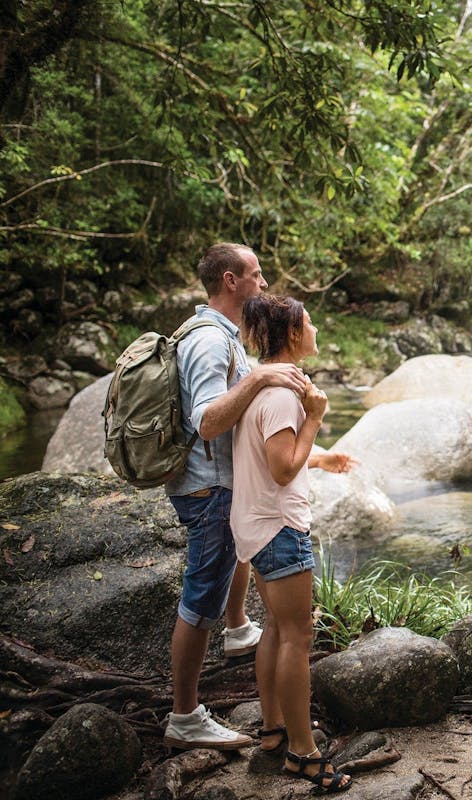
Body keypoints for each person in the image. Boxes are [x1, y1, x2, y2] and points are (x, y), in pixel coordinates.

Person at [162, 243, 308, 751]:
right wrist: (262, 375)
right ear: (231, 280)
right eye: (257, 275)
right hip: (206, 489)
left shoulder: (222, 336)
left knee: (228, 571)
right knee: (200, 597)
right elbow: (206, 422)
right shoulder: (207, 340)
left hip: (218, 487)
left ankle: (239, 627)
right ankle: (185, 714)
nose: (264, 284)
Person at [233, 293, 356, 793]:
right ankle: (303, 755)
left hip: (257, 525)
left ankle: (273, 730)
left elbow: (275, 459)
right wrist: (315, 418)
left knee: (276, 631)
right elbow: (283, 468)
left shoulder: (261, 387)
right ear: (292, 335)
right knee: (298, 638)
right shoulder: (286, 395)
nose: (316, 329)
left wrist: (320, 458)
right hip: (280, 528)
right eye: (310, 323)